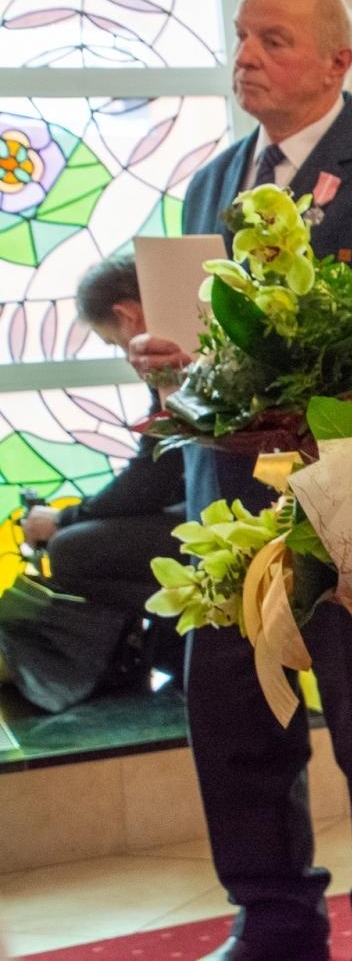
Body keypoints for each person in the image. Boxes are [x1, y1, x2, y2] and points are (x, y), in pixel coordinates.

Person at [129, 0, 352, 961]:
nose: (248, 56)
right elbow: (205, 337)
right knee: (232, 723)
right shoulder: (212, 180)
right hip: (226, 499)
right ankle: (273, 918)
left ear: (339, 63)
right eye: (241, 38)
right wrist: (165, 364)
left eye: (274, 40)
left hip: (341, 497)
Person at [1, 251, 186, 711]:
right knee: (81, 540)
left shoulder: (169, 349)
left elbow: (153, 477)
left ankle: (179, 639)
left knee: (71, 551)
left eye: (112, 342)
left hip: (214, 512)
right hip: (201, 504)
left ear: (127, 315)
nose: (123, 355)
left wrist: (65, 519)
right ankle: (168, 643)